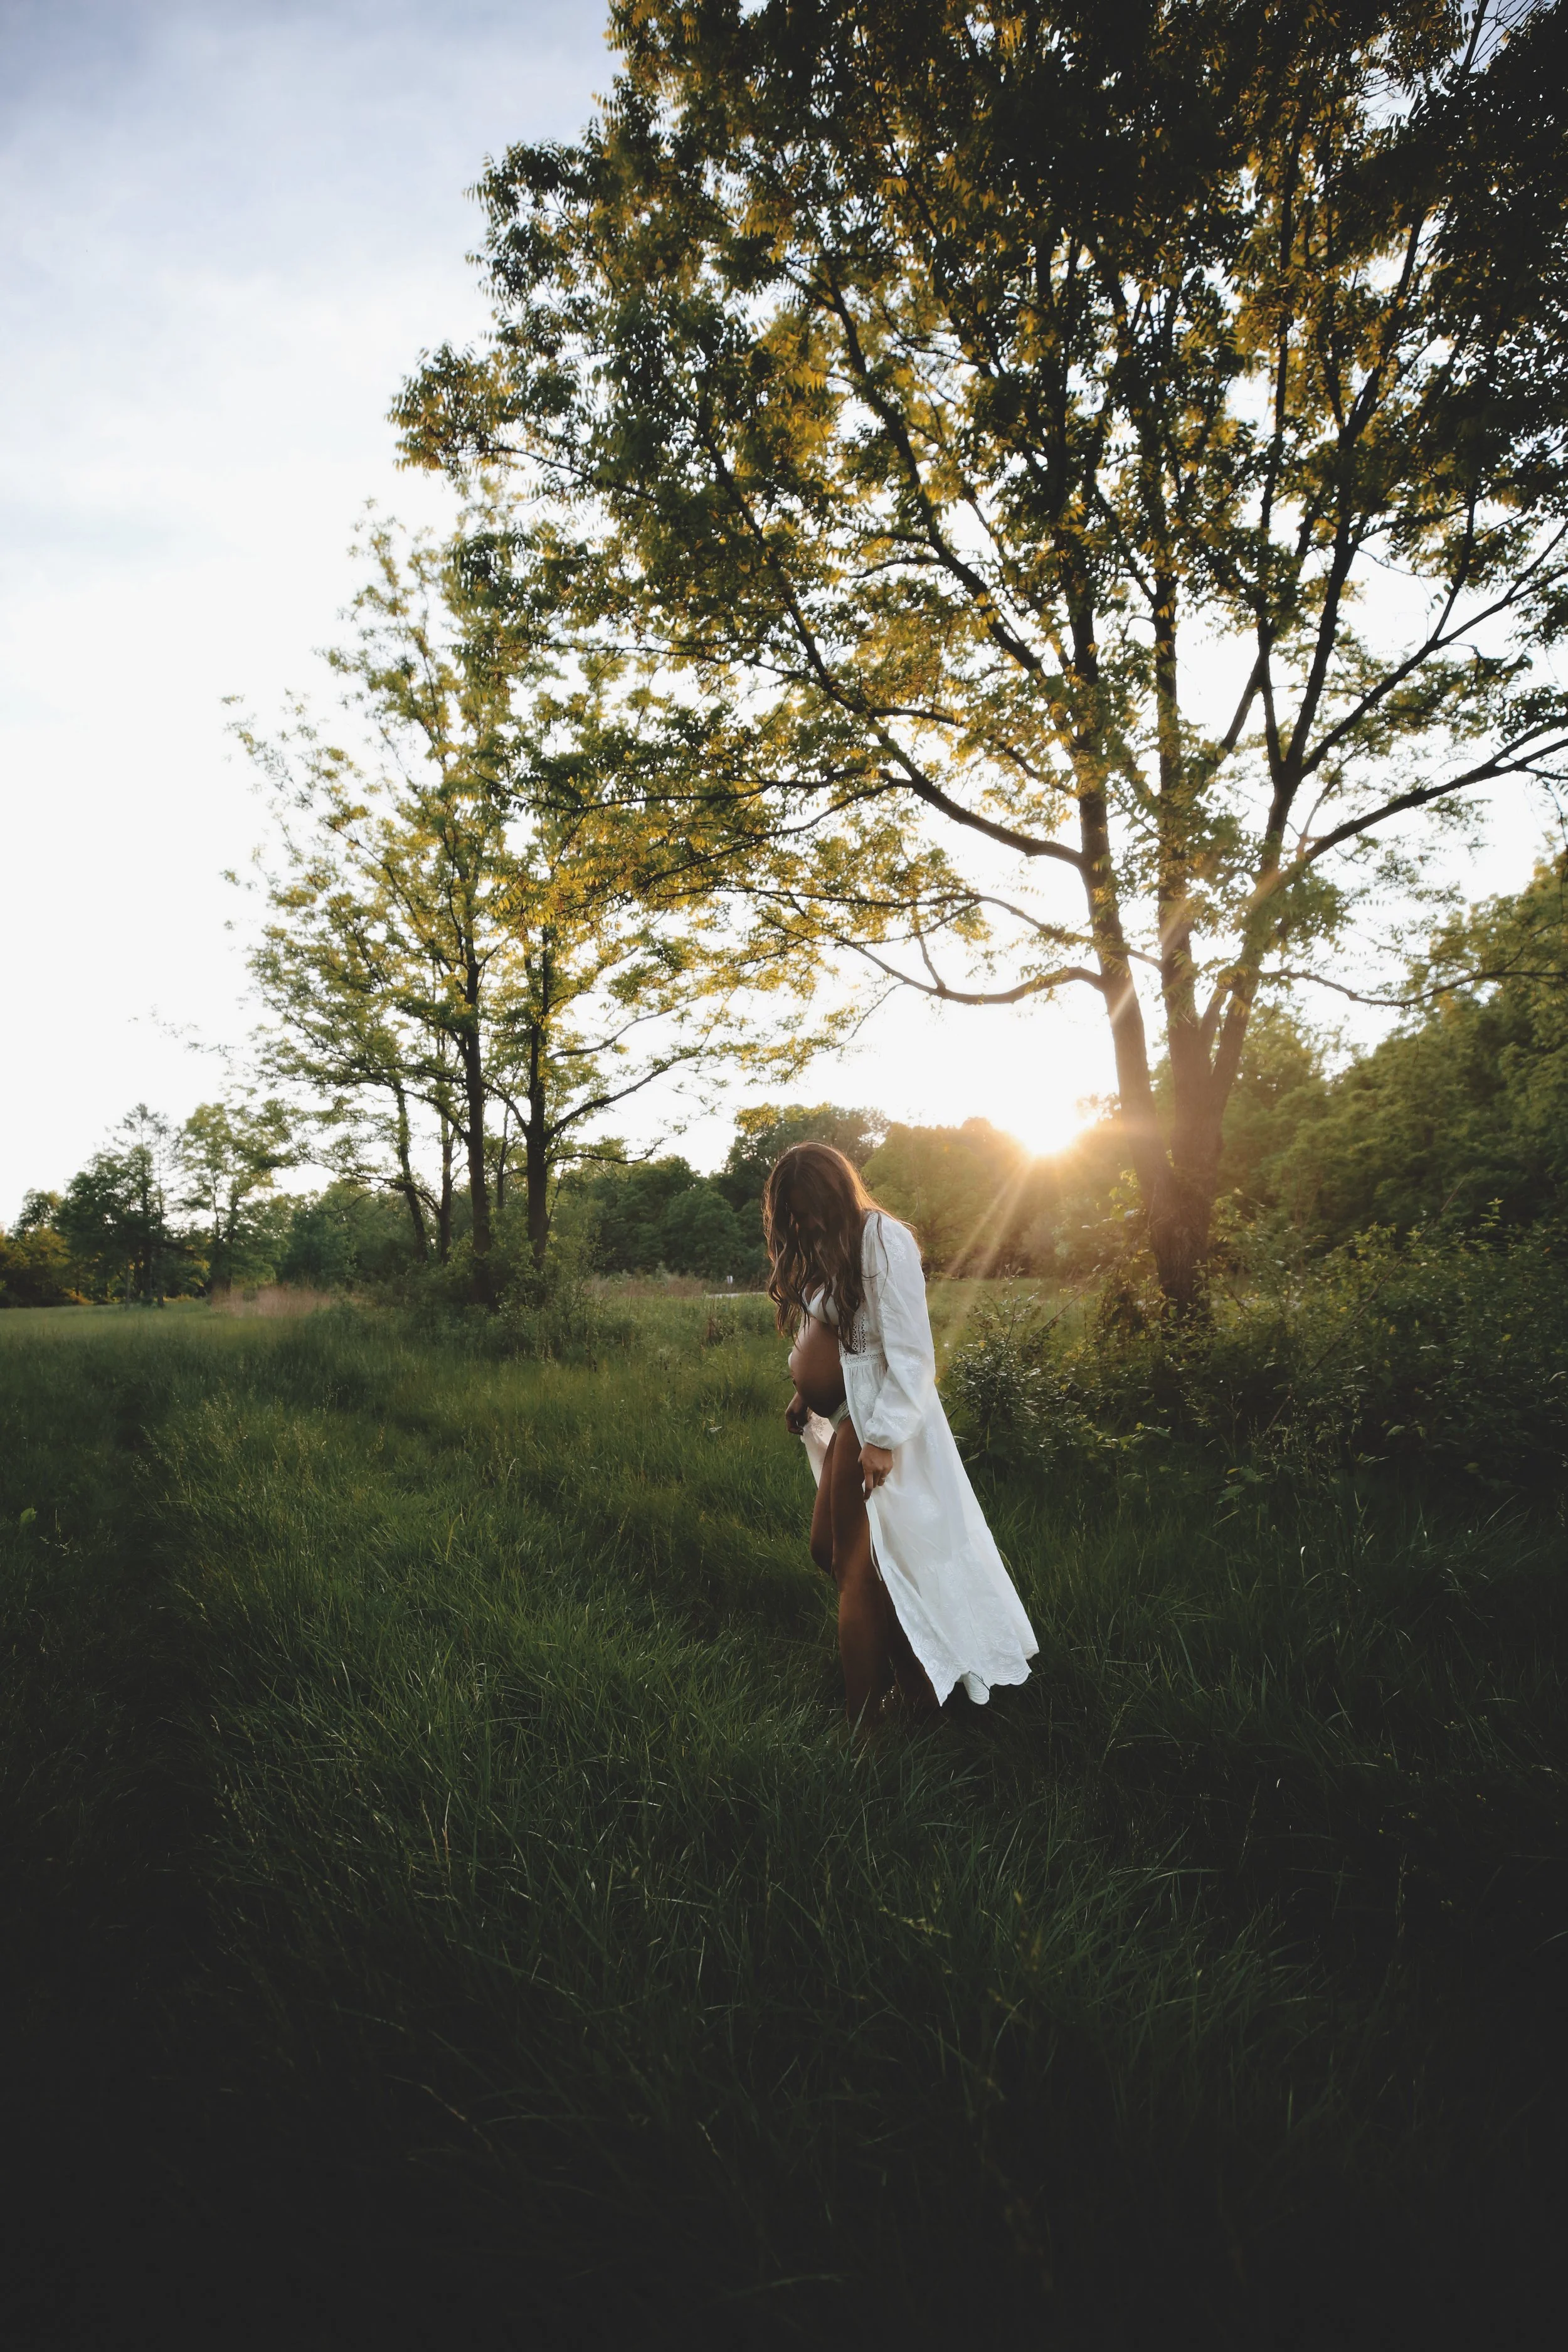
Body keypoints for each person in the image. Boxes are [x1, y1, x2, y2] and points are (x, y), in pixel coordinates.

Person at [765, 1141, 1038, 1729]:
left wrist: (884, 1437)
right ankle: (914, 1681)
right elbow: (840, 1336)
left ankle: (866, 1728)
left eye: (809, 1208)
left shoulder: (882, 1238)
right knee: (830, 1554)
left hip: (887, 1424)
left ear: (835, 1193)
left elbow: (913, 1354)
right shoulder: (829, 1241)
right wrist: (804, 1393)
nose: (803, 1222)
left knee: (858, 1572)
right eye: (793, 1214)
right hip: (850, 1420)